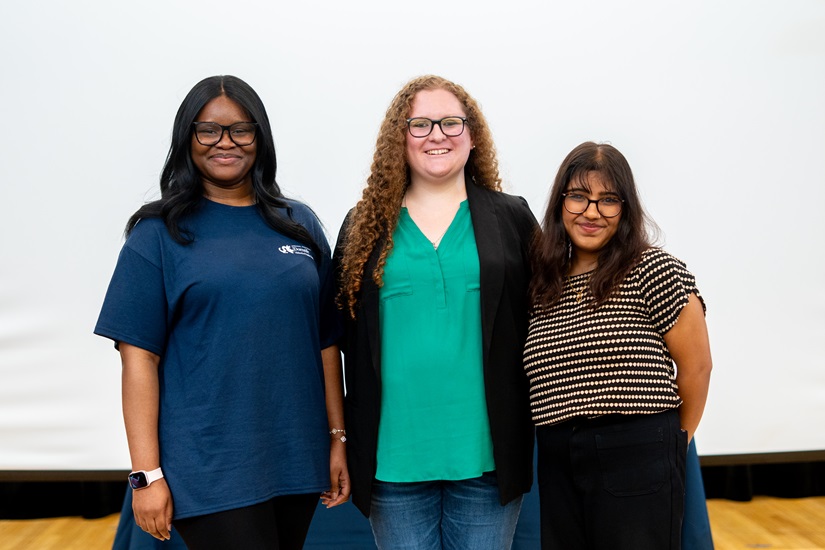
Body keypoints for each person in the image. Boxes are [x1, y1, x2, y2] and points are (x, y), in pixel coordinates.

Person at [94, 75, 349, 550]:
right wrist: (145, 475)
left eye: (240, 130)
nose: (225, 142)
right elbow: (138, 359)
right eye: (207, 130)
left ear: (260, 137)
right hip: (208, 464)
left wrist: (337, 438)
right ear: (187, 139)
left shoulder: (300, 224)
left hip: (296, 457)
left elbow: (326, 342)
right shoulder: (158, 234)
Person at [333, 75, 537, 549]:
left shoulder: (512, 217)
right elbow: (337, 339)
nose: (437, 135)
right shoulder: (363, 226)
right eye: (420, 124)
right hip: (393, 462)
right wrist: (337, 436)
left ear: (471, 135)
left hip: (487, 459)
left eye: (450, 122)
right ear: (398, 137)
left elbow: (546, 317)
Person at [524, 141, 712, 549]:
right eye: (578, 196)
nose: (591, 212)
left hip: (637, 454)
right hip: (557, 457)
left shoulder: (654, 269)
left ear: (626, 209)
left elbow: (697, 368)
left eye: (608, 200)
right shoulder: (542, 284)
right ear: (559, 203)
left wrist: (674, 445)